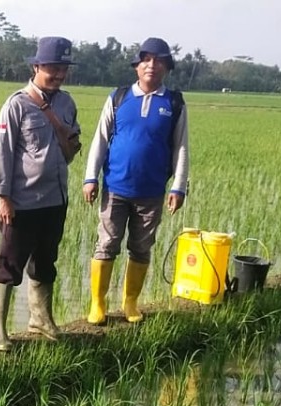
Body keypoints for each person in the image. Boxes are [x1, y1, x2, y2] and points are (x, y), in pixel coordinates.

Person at [81, 37, 189, 324]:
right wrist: (90, 177)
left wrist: (178, 186)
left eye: (158, 60)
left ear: (166, 66)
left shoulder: (174, 103)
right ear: (137, 66)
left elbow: (180, 146)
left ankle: (130, 302)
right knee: (107, 243)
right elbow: (100, 140)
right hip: (115, 186)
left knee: (141, 247)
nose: (152, 65)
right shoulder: (118, 98)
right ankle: (98, 303)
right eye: (146, 60)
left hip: (152, 191)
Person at [0, 37, 81, 351]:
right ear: (36, 66)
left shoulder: (67, 103)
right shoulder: (17, 104)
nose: (59, 74)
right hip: (22, 202)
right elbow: (4, 153)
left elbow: (72, 143)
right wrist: (3, 197)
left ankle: (40, 319)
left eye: (63, 68)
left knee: (45, 261)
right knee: (9, 263)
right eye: (53, 67)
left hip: (55, 199)